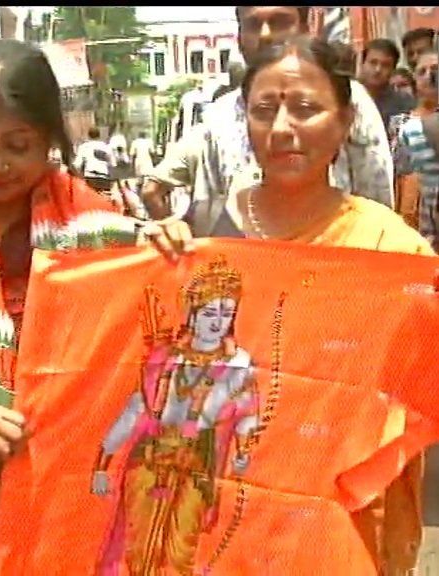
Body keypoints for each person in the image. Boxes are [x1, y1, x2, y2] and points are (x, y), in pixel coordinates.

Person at [144, 36, 433, 575]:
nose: (281, 130)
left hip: (335, 523)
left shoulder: (391, 250)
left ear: (345, 122)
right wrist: (150, 273)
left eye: (305, 109)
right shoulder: (201, 233)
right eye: (263, 111)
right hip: (219, 525)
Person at [0, 38, 177, 576]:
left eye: (17, 145)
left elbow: (164, 345)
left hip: (82, 491)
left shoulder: (105, 232)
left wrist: (173, 257)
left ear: (48, 136)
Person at [142, 6, 395, 231]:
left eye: (279, 21)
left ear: (305, 28)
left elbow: (376, 191)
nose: (264, 35)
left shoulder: (349, 100)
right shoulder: (218, 117)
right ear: (239, 37)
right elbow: (213, 216)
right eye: (253, 25)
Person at [92, 258, 257, 573]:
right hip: (150, 459)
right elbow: (135, 410)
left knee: (180, 552)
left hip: (196, 465)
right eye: (209, 313)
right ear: (192, 314)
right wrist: (103, 464)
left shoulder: (238, 364)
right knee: (137, 549)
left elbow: (247, 412)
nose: (216, 322)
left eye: (226, 314)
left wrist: (243, 450)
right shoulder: (164, 358)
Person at [396, 50, 439, 249]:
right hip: (426, 222)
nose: (429, 76)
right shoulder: (406, 127)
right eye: (422, 71)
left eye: (435, 70)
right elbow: (404, 182)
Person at [358, 38, 415, 130]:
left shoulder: (404, 103)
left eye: (385, 65)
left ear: (393, 69)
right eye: (373, 62)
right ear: (362, 63)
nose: (378, 70)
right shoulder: (347, 97)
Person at [75, 126, 115, 193]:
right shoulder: (106, 147)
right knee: (105, 201)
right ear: (99, 135)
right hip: (104, 179)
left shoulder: (84, 147)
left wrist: (79, 176)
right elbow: (113, 164)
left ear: (89, 135)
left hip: (90, 178)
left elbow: (77, 165)